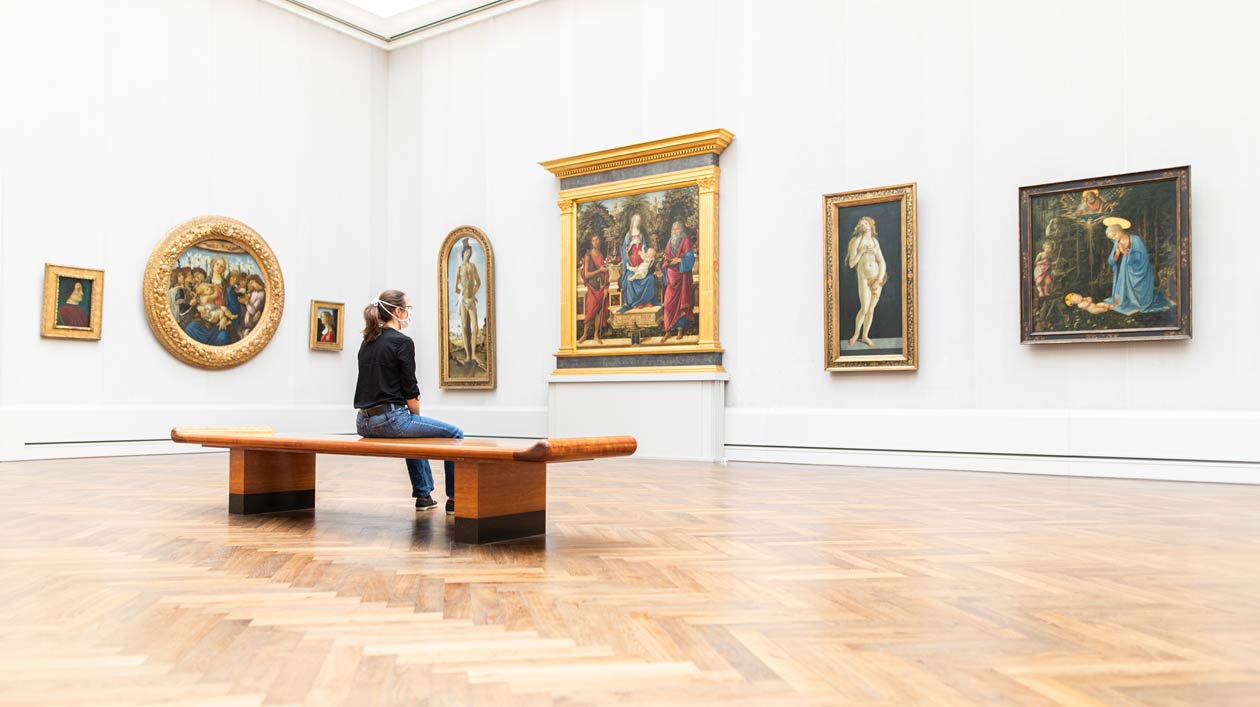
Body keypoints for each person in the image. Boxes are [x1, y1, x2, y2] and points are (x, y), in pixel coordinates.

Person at [354, 289, 464, 513]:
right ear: (397, 311)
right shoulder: (402, 342)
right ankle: (455, 499)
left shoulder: (367, 341)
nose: (409, 313)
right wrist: (415, 417)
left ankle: (424, 496)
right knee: (455, 434)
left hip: (363, 422)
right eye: (407, 308)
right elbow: (410, 390)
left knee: (415, 430)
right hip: (390, 420)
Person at [1102, 217, 1172, 315]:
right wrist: (1117, 252)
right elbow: (1112, 261)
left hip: (1135, 271)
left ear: (1119, 230)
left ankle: (1138, 301)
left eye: (1114, 235)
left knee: (1140, 297)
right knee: (1120, 293)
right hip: (1121, 272)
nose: (1114, 238)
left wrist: (1126, 252)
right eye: (1112, 238)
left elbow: (1142, 257)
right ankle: (1122, 300)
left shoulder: (1135, 239)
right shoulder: (1117, 242)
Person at [845, 216, 886, 347]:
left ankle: (865, 336)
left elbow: (882, 262)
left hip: (876, 278)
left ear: (871, 225)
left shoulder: (875, 242)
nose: (864, 226)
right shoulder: (857, 241)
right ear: (859, 228)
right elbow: (851, 264)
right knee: (864, 308)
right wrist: (861, 252)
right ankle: (856, 334)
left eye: (866, 223)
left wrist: (879, 280)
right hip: (863, 278)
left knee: (871, 309)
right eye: (862, 224)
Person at [658, 221, 695, 343]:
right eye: (673, 229)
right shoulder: (669, 243)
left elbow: (690, 258)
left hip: (682, 277)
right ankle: (668, 331)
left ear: (681, 230)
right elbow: (666, 259)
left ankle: (680, 330)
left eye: (677, 229)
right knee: (668, 304)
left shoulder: (686, 241)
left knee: (681, 304)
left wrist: (680, 260)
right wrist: (664, 266)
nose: (675, 231)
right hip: (671, 278)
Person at [617, 212, 659, 311]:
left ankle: (646, 302)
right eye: (635, 220)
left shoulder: (641, 234)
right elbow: (624, 250)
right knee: (629, 279)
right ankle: (633, 303)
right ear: (632, 221)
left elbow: (645, 249)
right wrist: (631, 243)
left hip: (641, 264)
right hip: (632, 264)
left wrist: (645, 254)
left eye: (639, 220)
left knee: (650, 279)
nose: (637, 222)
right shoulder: (628, 235)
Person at [577, 234, 610, 345]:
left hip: (600, 288)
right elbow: (586, 275)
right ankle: (585, 334)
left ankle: (596, 335)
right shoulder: (588, 255)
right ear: (591, 242)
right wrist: (599, 270)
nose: (596, 242)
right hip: (592, 289)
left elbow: (604, 273)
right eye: (593, 240)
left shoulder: (600, 255)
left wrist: (606, 287)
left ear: (599, 241)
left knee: (598, 312)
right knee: (590, 311)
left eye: (597, 240)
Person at [454, 239, 481, 365]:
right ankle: (468, 356)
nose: (468, 254)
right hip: (463, 299)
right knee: (465, 327)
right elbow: (455, 288)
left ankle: (474, 354)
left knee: (475, 326)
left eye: (470, 252)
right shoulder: (459, 268)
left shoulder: (473, 266)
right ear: (463, 253)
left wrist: (473, 294)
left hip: (471, 299)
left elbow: (478, 283)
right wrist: (462, 293)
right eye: (466, 252)